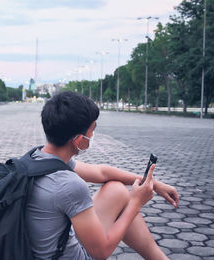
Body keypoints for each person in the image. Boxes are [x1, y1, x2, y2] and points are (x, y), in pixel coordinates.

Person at [26, 91, 179, 260]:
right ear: (79, 140)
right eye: (92, 131)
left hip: (40, 249)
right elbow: (101, 252)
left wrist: (154, 184)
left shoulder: (37, 157)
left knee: (116, 190)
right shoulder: (69, 185)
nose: (92, 136)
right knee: (124, 200)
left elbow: (101, 172)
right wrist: (136, 202)